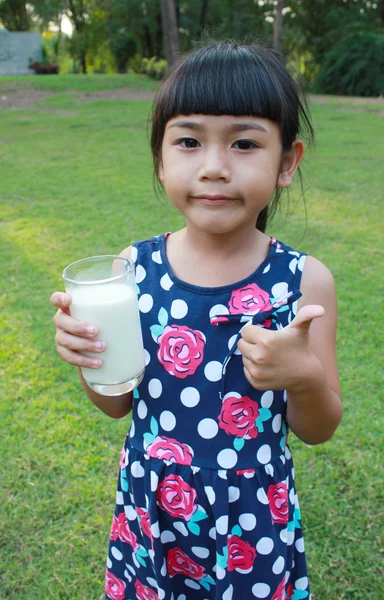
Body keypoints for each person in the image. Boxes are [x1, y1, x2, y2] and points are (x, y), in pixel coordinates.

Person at [51, 40, 342, 600]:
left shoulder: (303, 281)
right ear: (161, 160)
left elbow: (319, 427)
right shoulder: (130, 271)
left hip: (252, 518)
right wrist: (89, 360)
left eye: (244, 143)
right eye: (188, 141)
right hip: (153, 506)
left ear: (287, 163)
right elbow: (117, 404)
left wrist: (302, 376)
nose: (213, 167)